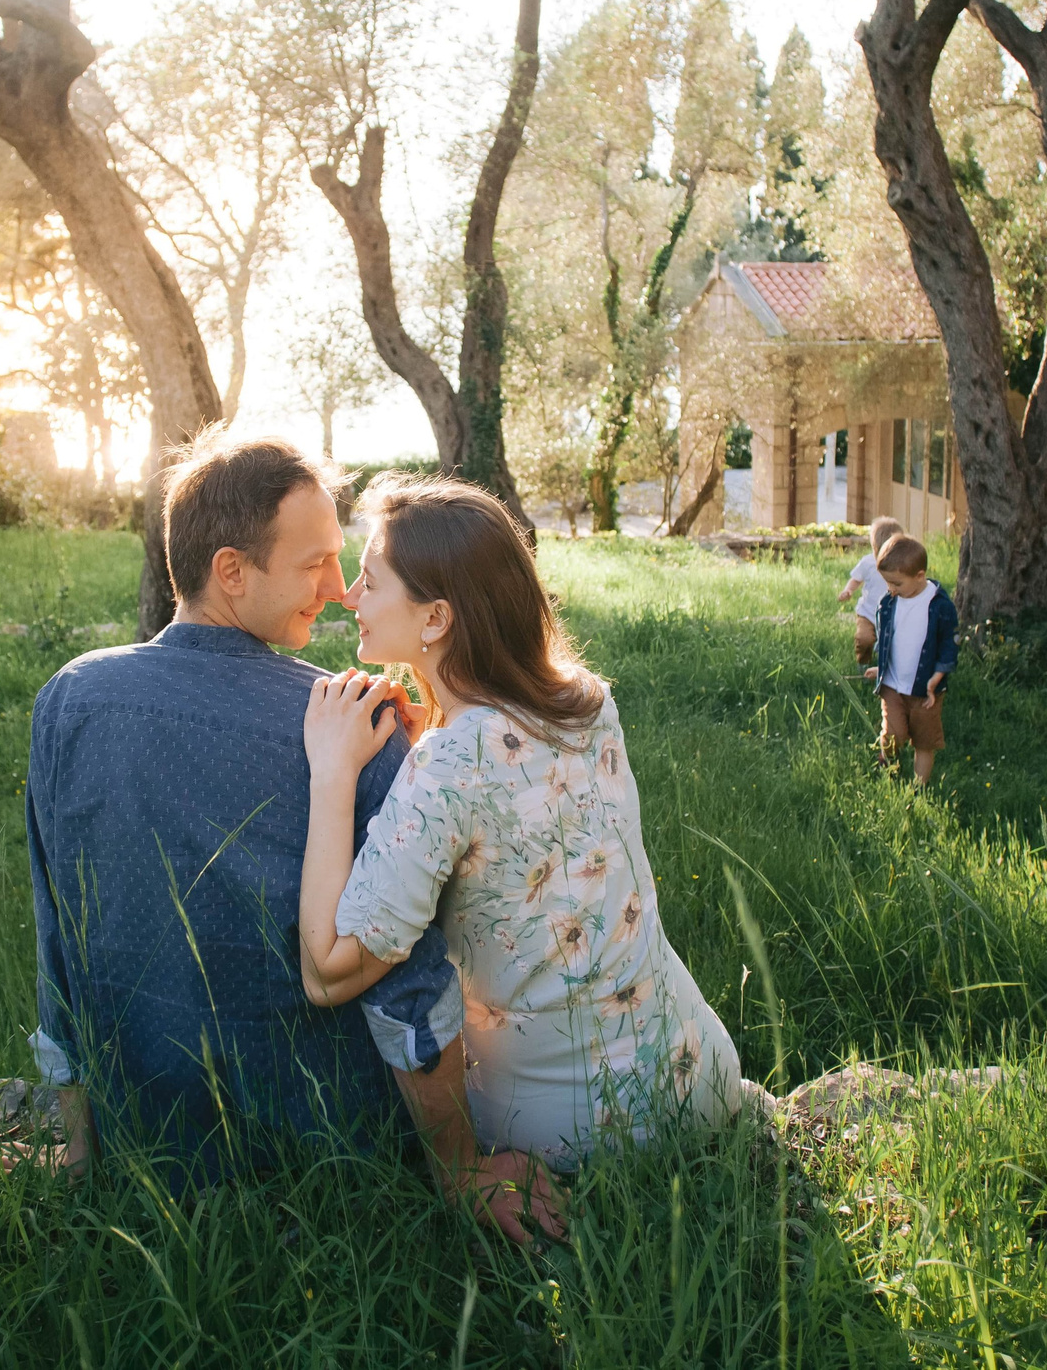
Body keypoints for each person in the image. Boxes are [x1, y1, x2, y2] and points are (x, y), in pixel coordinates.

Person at [23, 429, 559, 1243]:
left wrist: (80, 1151)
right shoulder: (357, 721)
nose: (340, 588)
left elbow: (59, 940)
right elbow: (407, 988)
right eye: (314, 564)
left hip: (151, 1156)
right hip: (336, 1158)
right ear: (231, 570)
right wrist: (455, 1169)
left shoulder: (69, 700)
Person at [295, 474, 751, 1184]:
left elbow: (328, 970)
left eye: (370, 580)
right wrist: (433, 741)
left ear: (435, 618)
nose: (349, 595)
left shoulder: (448, 766)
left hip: (573, 1136)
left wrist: (332, 770)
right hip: (701, 1080)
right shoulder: (587, 701)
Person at [861, 532, 957, 782]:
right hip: (893, 686)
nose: (891, 589)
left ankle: (918, 788)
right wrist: (880, 668)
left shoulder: (938, 606)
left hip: (926, 690)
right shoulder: (889, 603)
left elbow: (948, 644)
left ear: (920, 576)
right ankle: (887, 766)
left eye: (897, 584)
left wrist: (938, 676)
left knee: (924, 742)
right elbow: (888, 641)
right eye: (887, 583)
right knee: (893, 735)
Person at [842, 515, 905, 666]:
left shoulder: (902, 564)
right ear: (874, 548)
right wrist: (848, 590)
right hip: (868, 613)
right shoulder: (868, 562)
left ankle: (887, 666)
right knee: (864, 639)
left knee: (894, 643)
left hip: (892, 614)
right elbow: (856, 579)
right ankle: (863, 663)